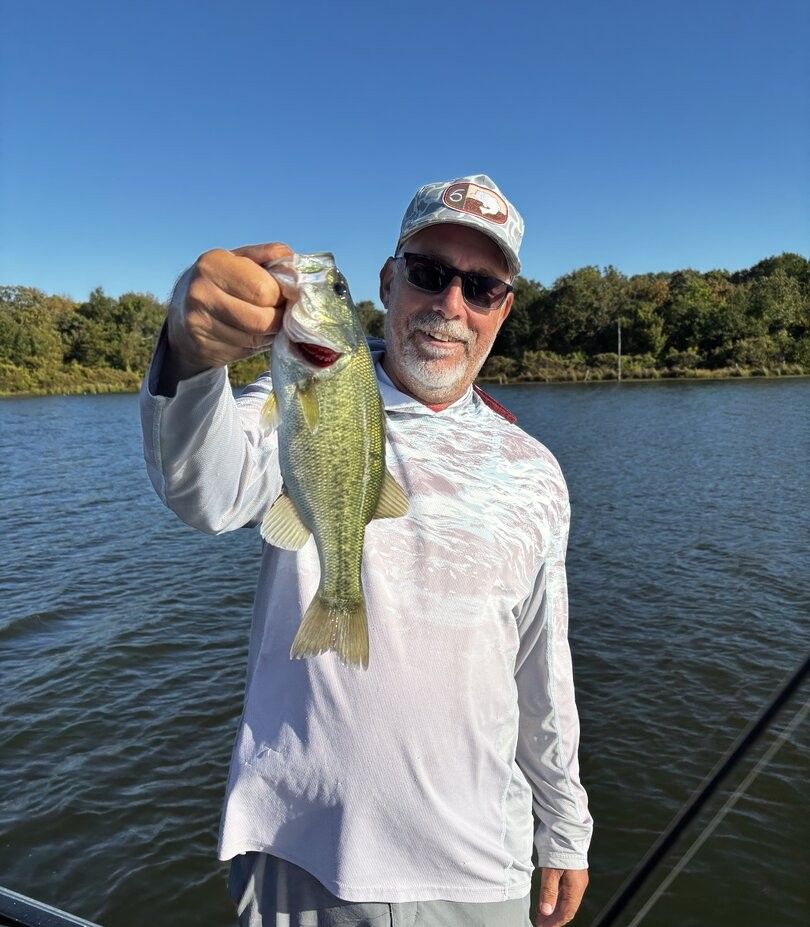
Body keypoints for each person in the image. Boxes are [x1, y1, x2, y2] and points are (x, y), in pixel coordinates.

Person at [140, 174, 593, 927]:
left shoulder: (535, 470)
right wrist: (189, 356)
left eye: (481, 287)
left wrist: (567, 826)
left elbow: (543, 667)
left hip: (481, 869)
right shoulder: (299, 390)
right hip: (301, 850)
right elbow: (205, 489)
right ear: (387, 283)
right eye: (429, 273)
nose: (451, 304)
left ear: (502, 310)